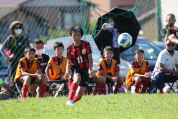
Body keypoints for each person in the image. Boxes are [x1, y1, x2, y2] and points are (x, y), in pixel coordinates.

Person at [64, 25, 94, 106]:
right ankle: (69, 100)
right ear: (71, 35)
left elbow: (90, 58)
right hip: (75, 67)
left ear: (81, 36)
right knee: (77, 78)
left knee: (80, 94)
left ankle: (72, 102)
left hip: (85, 68)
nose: (76, 37)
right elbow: (69, 63)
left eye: (78, 35)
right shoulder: (69, 48)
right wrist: (67, 72)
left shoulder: (86, 44)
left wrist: (90, 69)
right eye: (74, 35)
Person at [0, 21, 30, 87]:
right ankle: (14, 93)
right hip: (13, 62)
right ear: (13, 29)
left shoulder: (24, 39)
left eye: (20, 27)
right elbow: (1, 49)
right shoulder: (10, 38)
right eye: (16, 28)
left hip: (23, 61)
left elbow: (29, 49)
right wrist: (8, 57)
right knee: (13, 78)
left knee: (23, 76)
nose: (18, 29)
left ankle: (23, 93)